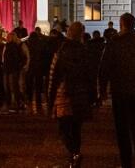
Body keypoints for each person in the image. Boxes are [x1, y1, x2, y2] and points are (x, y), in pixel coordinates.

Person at [100, 13, 135, 168]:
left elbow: (104, 68)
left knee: (122, 127)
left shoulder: (114, 43)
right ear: (134, 25)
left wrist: (103, 89)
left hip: (120, 90)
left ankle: (126, 161)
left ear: (121, 24)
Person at [48, 22, 95, 168]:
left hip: (65, 94)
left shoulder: (62, 50)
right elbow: (91, 76)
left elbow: (53, 75)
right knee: (76, 128)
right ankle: (75, 154)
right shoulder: (85, 51)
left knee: (63, 128)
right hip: (80, 95)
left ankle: (73, 153)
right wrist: (92, 95)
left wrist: (50, 98)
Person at [2, 31, 27, 113]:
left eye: (9, 37)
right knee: (10, 86)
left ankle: (16, 102)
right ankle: (14, 102)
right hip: (9, 69)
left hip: (12, 69)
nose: (7, 38)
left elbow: (20, 57)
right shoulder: (9, 46)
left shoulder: (15, 46)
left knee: (12, 86)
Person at [25, 27, 48, 114]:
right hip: (39, 67)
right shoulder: (41, 43)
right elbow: (44, 56)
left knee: (29, 86)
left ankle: (30, 104)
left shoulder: (27, 43)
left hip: (30, 68)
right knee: (38, 86)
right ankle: (38, 105)